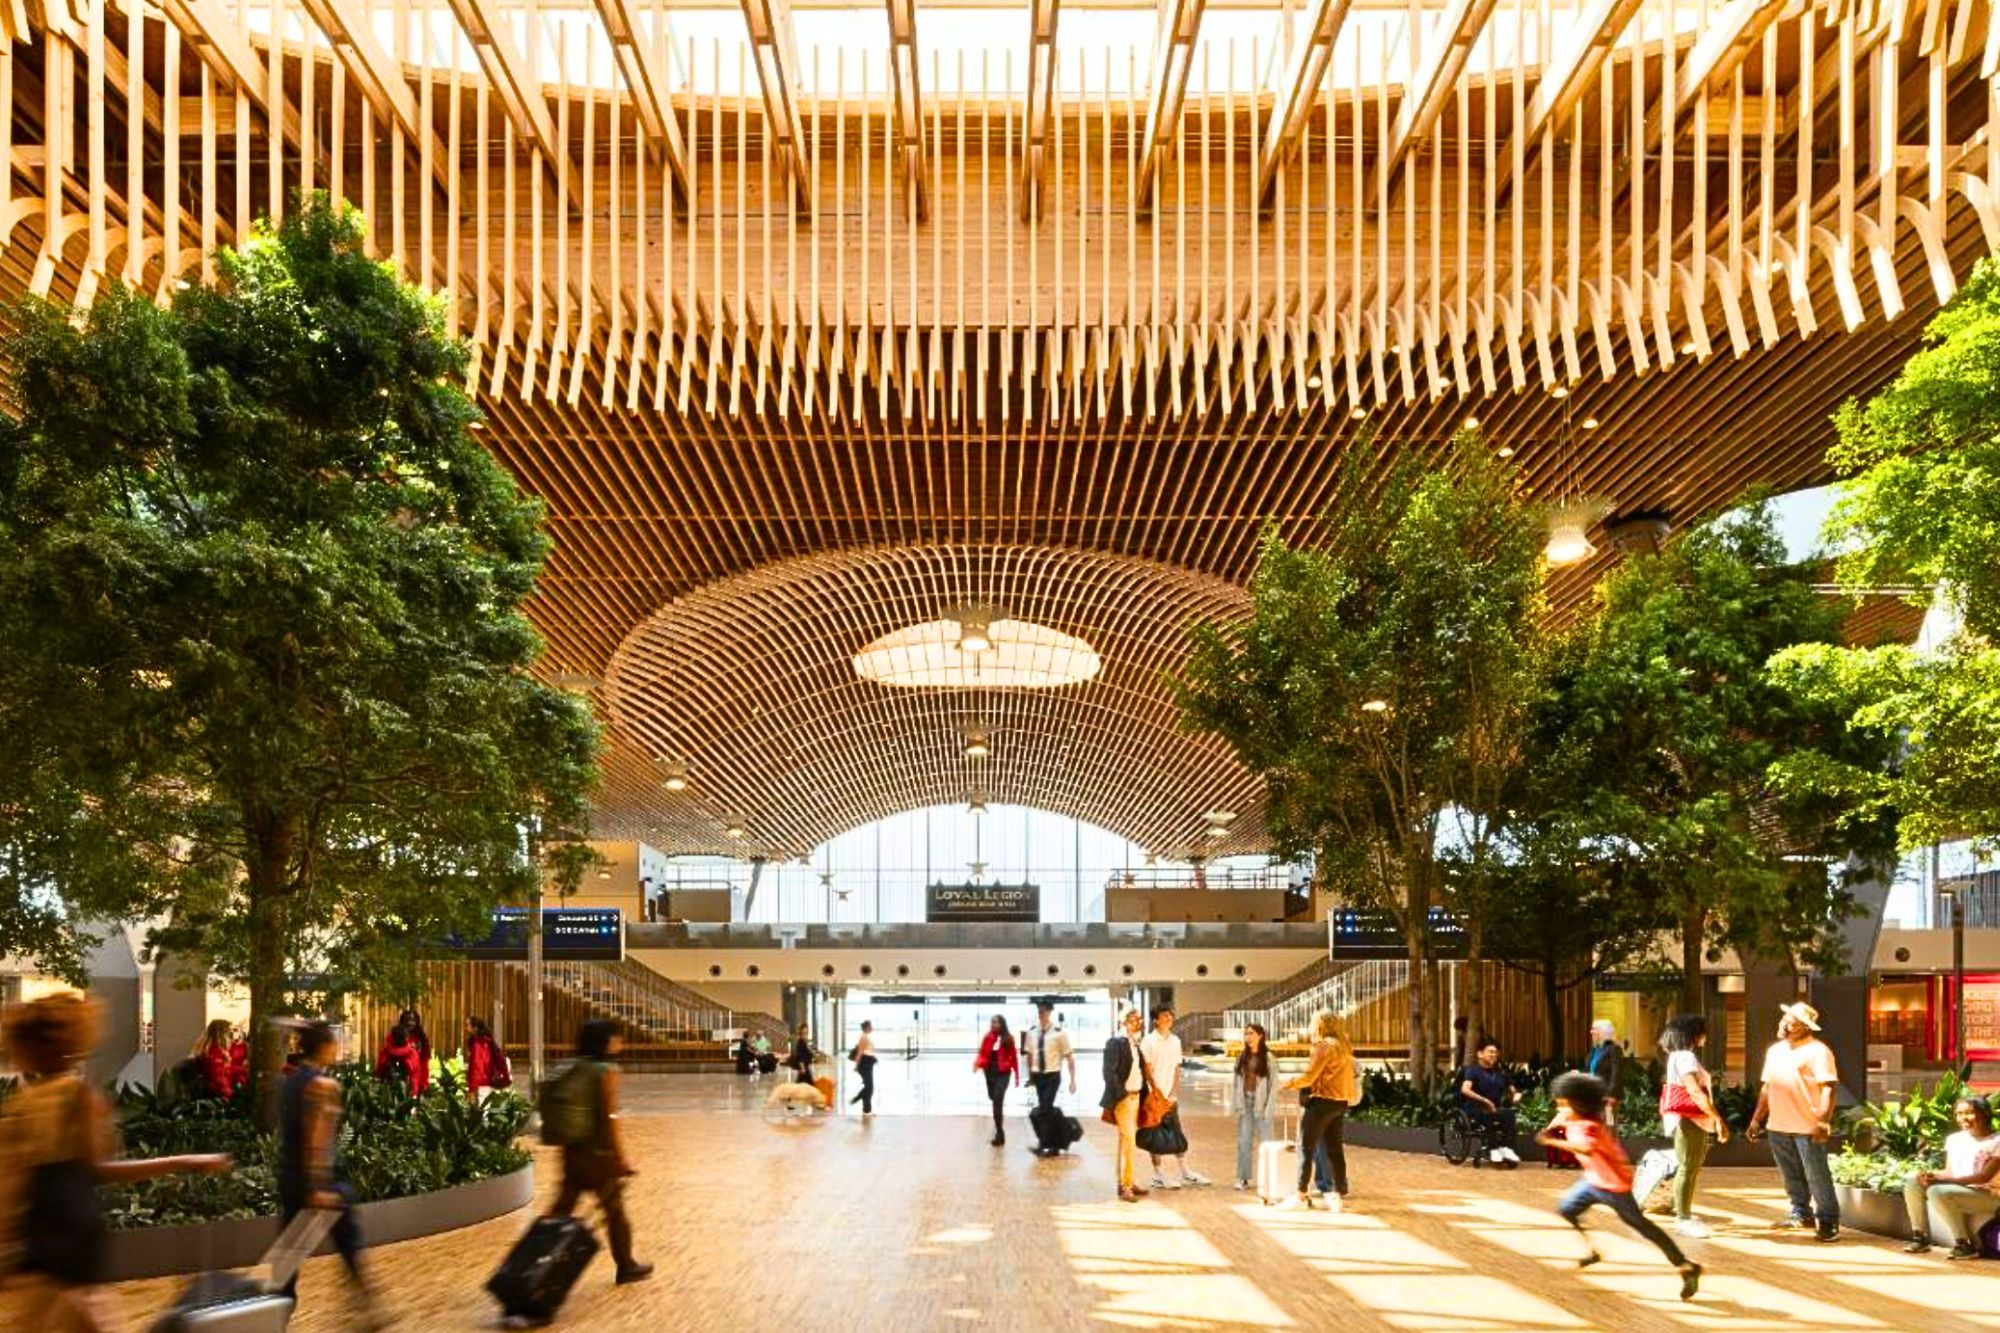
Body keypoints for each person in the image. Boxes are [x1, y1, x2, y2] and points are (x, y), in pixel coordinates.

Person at [0, 994, 233, 1333]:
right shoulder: (80, 1098)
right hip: (76, 1236)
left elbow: (10, 1182)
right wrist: (185, 1161)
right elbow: (102, 1169)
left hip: (41, 1241)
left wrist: (6, 1245)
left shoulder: (21, 1105)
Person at [1537, 1071, 1701, 1300]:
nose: (1559, 1104)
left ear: (1576, 1102)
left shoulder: (1589, 1125)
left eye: (1563, 1100)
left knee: (1643, 1227)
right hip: (1593, 1181)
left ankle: (1686, 1266)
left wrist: (1551, 1140)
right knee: (1566, 1209)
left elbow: (1586, 1148)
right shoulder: (1571, 1114)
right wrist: (1550, 1126)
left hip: (1614, 1186)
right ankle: (1593, 1251)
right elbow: (1560, 1118)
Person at [277, 1021, 385, 1326]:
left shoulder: (291, 1081)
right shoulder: (324, 1087)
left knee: (289, 1257)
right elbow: (318, 1140)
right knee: (349, 1240)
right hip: (318, 1183)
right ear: (325, 1047)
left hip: (289, 1177)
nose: (336, 1048)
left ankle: (275, 1317)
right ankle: (365, 1304)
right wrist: (319, 1186)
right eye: (334, 1043)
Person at [546, 1019, 653, 1287]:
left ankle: (533, 1259)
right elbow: (608, 1118)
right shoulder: (605, 1071)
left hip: (572, 1153)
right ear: (605, 1041)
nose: (620, 1042)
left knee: (560, 1212)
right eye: (616, 1037)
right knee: (615, 1212)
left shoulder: (571, 1066)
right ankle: (627, 1266)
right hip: (597, 1157)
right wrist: (619, 1158)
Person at [1746, 1001, 1842, 1241]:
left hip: (1807, 1125)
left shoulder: (1818, 1051)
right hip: (1778, 1124)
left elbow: (1828, 1087)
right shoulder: (1775, 1051)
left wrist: (1823, 1120)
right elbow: (1767, 1087)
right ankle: (1801, 1212)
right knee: (1791, 1174)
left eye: (1793, 1022)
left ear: (1805, 1027)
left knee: (1816, 1174)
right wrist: (1757, 1119)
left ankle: (1828, 1219)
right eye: (1785, 1019)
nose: (1786, 1024)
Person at [1902, 1096, 2000, 1257]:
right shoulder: (1954, 1139)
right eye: (1959, 1113)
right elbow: (1951, 1171)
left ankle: (1964, 1244)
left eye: (1969, 1113)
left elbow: (1984, 1176)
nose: (1963, 1118)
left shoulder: (1997, 1140)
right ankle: (1921, 1237)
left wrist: (1944, 1180)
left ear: (1983, 1114)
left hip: (1991, 1195)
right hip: (1960, 1189)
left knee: (1937, 1191)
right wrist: (1930, 1175)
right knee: (1913, 1183)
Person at [1659, 1013, 1729, 1238]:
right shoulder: (1686, 1056)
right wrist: (1717, 1119)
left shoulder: (1677, 1056)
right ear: (1694, 1034)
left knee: (1689, 1165)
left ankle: (1684, 1212)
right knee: (1688, 1166)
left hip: (1686, 1118)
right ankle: (1683, 1218)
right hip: (1689, 1118)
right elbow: (1694, 1090)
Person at [1279, 1009, 1356, 1209]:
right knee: (1335, 1150)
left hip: (1322, 1102)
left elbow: (1310, 1076)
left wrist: (1288, 1083)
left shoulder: (1323, 1046)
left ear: (1321, 1025)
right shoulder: (1344, 1047)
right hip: (1340, 1103)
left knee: (1305, 1147)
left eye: (1314, 1023)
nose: (1311, 1026)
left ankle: (1300, 1195)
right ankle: (1337, 1195)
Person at [1139, 1007, 1209, 1188]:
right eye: (1164, 1016)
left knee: (1177, 1132)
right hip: (1153, 1098)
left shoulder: (1175, 1041)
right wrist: (1157, 1093)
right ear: (1156, 1020)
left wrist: (1173, 1092)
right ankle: (1158, 1175)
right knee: (1155, 1136)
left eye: (1170, 1015)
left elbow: (1177, 1068)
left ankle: (1186, 1172)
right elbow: (1147, 1070)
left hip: (1170, 1097)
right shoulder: (1148, 1041)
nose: (1169, 1018)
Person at [1101, 1008, 1150, 1203]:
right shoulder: (1115, 1043)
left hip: (1136, 1098)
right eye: (1131, 1020)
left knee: (1126, 1142)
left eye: (1138, 1019)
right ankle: (1126, 1186)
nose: (1136, 1023)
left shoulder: (1134, 1043)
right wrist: (1121, 1095)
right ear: (1122, 1023)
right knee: (1129, 1142)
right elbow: (1108, 1073)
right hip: (1124, 1099)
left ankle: (1125, 1181)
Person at [1458, 1038, 1521, 1164]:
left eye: (1495, 1052)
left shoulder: (1500, 1072)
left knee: (1509, 1114)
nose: (1494, 1055)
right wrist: (1485, 1100)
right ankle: (1493, 1149)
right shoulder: (1472, 1070)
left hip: (1494, 1108)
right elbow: (1465, 1089)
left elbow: (1514, 1090)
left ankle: (1507, 1148)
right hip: (1474, 1109)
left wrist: (1517, 1096)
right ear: (1480, 1054)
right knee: (1488, 1113)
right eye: (1490, 1052)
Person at [1232, 1023, 1276, 1190]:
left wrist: (1269, 1109)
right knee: (1244, 1142)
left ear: (1260, 1036)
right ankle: (1242, 1177)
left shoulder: (1269, 1058)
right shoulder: (1242, 1057)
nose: (1248, 1037)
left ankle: (1269, 1178)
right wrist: (1237, 1104)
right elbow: (1236, 1083)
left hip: (1262, 1105)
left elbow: (1273, 1085)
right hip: (1246, 1104)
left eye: (1251, 1033)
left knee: (1266, 1142)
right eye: (1246, 1034)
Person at [1023, 1000, 1076, 1117]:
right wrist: (1030, 1075)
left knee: (1046, 1106)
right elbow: (1029, 1055)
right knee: (1043, 1106)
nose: (1040, 1014)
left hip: (1052, 1075)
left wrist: (1072, 1080)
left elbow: (1069, 1057)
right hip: (1037, 1075)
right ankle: (1050, 1130)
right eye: (1039, 1011)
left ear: (1049, 1012)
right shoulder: (1031, 1032)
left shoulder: (1059, 1033)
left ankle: (1048, 1131)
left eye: (1043, 1011)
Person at [974, 1015, 1020, 1146]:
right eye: (992, 1022)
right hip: (990, 1073)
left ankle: (1000, 1133)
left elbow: (1014, 1057)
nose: (994, 1025)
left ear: (1002, 1024)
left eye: (996, 1022)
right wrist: (978, 1064)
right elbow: (982, 1053)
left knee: (997, 1100)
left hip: (1004, 1073)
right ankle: (999, 1129)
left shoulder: (1009, 1038)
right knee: (993, 1097)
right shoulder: (987, 1038)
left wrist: (1016, 1075)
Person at [192, 1019, 245, 1101]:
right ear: (223, 1035)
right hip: (216, 1097)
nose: (232, 1038)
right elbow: (219, 1080)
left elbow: (232, 1069)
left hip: (214, 1095)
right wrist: (230, 1096)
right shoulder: (215, 1055)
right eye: (230, 1034)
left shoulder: (211, 1051)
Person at [464, 1015, 511, 1103]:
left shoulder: (479, 1044)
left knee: (482, 1114)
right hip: (488, 1082)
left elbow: (478, 1066)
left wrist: (472, 1088)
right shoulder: (487, 1041)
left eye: (467, 1025)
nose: (465, 1028)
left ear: (475, 1028)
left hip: (482, 1084)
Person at [1584, 1019, 1622, 1126]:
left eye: (1594, 1029)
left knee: (1608, 1128)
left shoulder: (1614, 1049)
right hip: (1593, 1095)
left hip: (1606, 1096)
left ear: (1603, 1032)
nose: (1591, 1032)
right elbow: (1590, 1070)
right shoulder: (1595, 1050)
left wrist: (1611, 1094)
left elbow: (1616, 1073)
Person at [375, 1022, 421, 1095]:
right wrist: (414, 1094)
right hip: (406, 1093)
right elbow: (415, 1077)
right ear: (406, 1038)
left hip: (387, 1093)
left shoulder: (385, 1053)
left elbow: (379, 1074)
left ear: (392, 1037)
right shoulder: (412, 1054)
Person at [396, 1007, 433, 1097]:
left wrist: (424, 1082)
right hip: (401, 1079)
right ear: (402, 1021)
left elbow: (425, 1062)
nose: (410, 1023)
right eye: (407, 1020)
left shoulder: (422, 1039)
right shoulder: (396, 1037)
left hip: (418, 1080)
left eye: (413, 1020)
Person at [850, 1020, 878, 1115]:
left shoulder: (865, 1037)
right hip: (865, 1064)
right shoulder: (863, 1037)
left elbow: (865, 1051)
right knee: (869, 1087)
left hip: (868, 1063)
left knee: (869, 1087)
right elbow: (860, 1053)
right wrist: (856, 1066)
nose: (872, 1028)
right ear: (867, 1027)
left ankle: (867, 1110)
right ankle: (856, 1099)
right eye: (870, 1026)